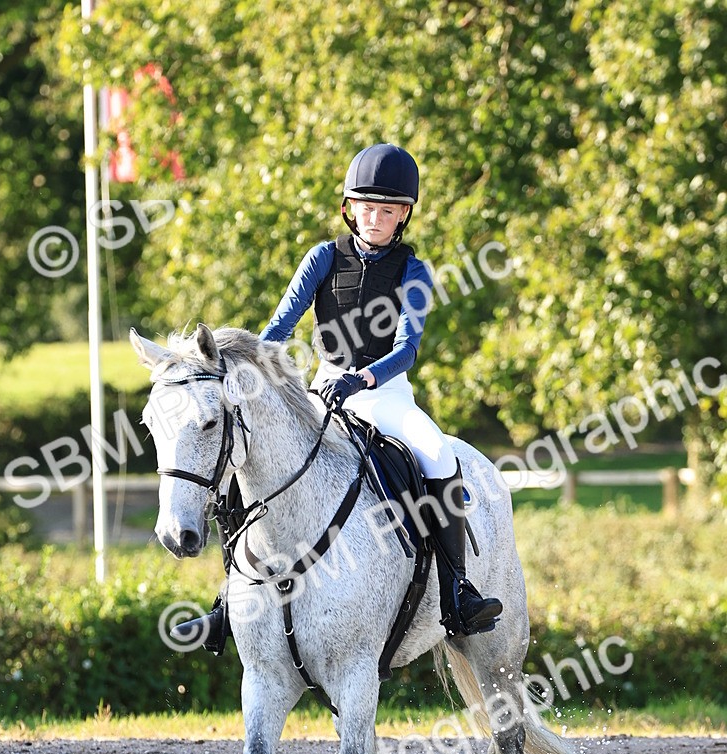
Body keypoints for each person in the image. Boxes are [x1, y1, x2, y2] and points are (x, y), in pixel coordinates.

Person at [177, 143, 502, 651]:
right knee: (249, 455)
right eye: (366, 207)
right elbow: (279, 326)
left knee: (438, 454)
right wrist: (251, 368)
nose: (375, 218)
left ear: (404, 215)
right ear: (350, 208)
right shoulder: (323, 257)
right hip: (321, 391)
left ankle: (457, 592)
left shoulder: (414, 272)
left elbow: (407, 349)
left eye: (388, 210)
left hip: (384, 393)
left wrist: (362, 379)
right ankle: (227, 600)